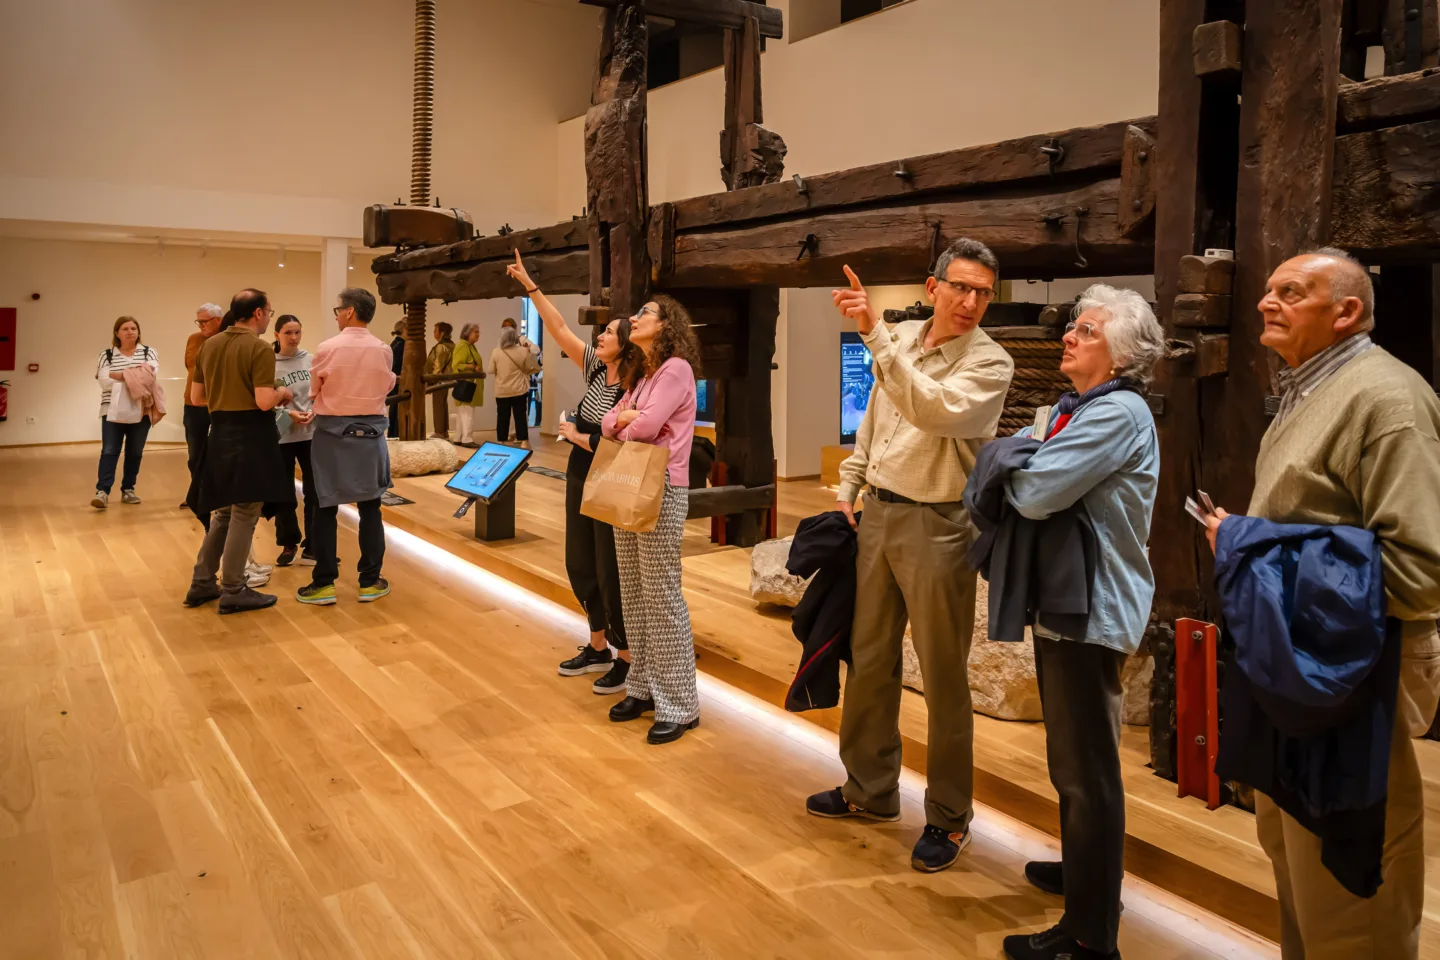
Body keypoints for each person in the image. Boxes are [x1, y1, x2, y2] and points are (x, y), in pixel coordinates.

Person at [1201, 249, 1440, 960]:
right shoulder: (1310, 388)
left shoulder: (1388, 401)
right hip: (1300, 664)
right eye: (1269, 289)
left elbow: (1418, 569)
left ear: (1347, 312)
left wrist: (1247, 543)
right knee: (1296, 860)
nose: (1265, 302)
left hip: (1357, 675)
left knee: (1350, 885)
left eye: (1292, 292)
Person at [804, 239, 1014, 873]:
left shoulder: (989, 362)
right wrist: (849, 487)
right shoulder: (903, 341)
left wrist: (874, 336)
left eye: (983, 292)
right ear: (933, 287)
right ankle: (869, 789)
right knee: (869, 658)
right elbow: (876, 421)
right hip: (880, 513)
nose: (971, 301)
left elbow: (931, 408)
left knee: (943, 675)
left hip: (941, 524)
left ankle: (949, 817)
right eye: (962, 287)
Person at [982, 287, 1163, 960]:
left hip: (1092, 607)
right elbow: (1029, 461)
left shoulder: (1114, 412)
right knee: (1073, 763)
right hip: (1070, 602)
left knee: (1087, 771)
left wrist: (1004, 460)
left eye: (1086, 331)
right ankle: (1087, 872)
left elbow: (1033, 491)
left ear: (1121, 355)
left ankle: (1089, 933)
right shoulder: (1074, 409)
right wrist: (1018, 454)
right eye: (1074, 326)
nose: (1068, 335)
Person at [507, 251, 634, 693]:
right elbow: (558, 326)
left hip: (611, 477)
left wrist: (578, 436)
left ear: (627, 345)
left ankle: (626, 656)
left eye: (610, 333)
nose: (601, 336)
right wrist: (530, 285)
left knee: (609, 565)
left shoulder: (635, 385)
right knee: (579, 560)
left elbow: (624, 443)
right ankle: (597, 645)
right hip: (581, 471)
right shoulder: (597, 369)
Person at [600, 295, 702, 744]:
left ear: (665, 325)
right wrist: (627, 417)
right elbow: (608, 423)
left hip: (662, 486)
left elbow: (643, 427)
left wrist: (630, 419)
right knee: (634, 591)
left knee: (661, 595)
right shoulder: (644, 374)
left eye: (645, 313)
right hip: (634, 481)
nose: (634, 318)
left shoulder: (675, 370)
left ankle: (679, 704)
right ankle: (641, 688)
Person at [184, 289, 294, 614]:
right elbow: (263, 401)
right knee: (246, 511)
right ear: (258, 313)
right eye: (269, 312)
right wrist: (282, 392)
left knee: (224, 511)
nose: (269, 317)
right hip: (250, 436)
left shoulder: (209, 345)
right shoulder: (259, 348)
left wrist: (227, 395)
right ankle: (233, 588)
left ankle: (202, 582)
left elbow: (196, 398)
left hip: (219, 434)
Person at [297, 288, 397, 606]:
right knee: (370, 508)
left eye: (338, 310)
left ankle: (324, 583)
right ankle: (370, 581)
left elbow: (314, 390)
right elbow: (386, 385)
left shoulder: (327, 348)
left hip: (331, 436)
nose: (337, 315)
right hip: (371, 437)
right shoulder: (383, 350)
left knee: (324, 507)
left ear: (350, 311)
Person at [91, 316, 160, 509]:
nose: (130, 332)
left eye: (133, 328)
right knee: (109, 450)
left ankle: (128, 489)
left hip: (142, 409)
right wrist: (136, 375)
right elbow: (105, 382)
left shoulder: (148, 352)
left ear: (138, 332)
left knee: (135, 452)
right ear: (117, 333)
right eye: (125, 328)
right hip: (111, 409)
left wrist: (119, 375)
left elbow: (150, 378)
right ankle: (102, 492)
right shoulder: (106, 355)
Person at [272, 315, 317, 567]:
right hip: (282, 435)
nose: (294, 337)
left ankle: (314, 544)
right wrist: (287, 414)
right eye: (288, 332)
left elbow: (320, 393)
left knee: (315, 491)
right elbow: (263, 401)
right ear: (277, 334)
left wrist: (314, 412)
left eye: (297, 332)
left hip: (310, 433)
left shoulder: (311, 360)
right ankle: (288, 543)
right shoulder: (268, 364)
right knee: (283, 492)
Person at [181, 303, 224, 516]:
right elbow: (190, 366)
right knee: (194, 454)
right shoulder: (193, 339)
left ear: (219, 320)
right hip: (193, 404)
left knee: (219, 452)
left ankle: (218, 496)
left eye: (205, 321)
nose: (201, 325)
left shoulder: (227, 340)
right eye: (198, 321)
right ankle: (197, 494)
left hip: (220, 404)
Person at [490, 322, 541, 448]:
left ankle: (501, 440)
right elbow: (529, 368)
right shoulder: (523, 351)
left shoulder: (496, 352)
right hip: (519, 389)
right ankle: (523, 440)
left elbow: (491, 369)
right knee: (520, 416)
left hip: (502, 390)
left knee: (502, 416)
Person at [449, 323, 484, 447]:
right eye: (476, 332)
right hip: (466, 385)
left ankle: (458, 437)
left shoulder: (470, 346)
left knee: (463, 413)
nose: (478, 334)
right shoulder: (462, 346)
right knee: (467, 412)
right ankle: (467, 439)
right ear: (468, 333)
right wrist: (472, 366)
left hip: (469, 384)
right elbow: (456, 365)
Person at [427, 321, 455, 439]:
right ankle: (444, 430)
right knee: (443, 404)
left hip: (439, 380)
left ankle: (439, 431)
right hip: (447, 380)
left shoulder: (441, 347)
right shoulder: (451, 345)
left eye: (435, 330)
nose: (434, 333)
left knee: (438, 405)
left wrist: (431, 381)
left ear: (442, 333)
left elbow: (437, 366)